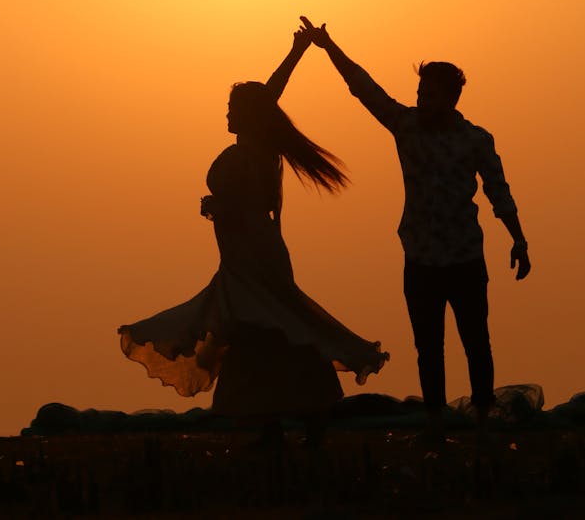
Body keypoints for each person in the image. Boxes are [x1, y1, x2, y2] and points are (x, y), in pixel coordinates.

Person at [118, 28, 388, 444]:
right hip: (243, 256)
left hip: (255, 255)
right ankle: (276, 419)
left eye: (231, 108)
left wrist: (218, 207)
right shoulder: (252, 141)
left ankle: (289, 416)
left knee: (270, 326)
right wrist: (295, 52)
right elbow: (270, 96)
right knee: (263, 331)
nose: (225, 114)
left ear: (247, 115)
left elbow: (244, 200)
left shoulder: (257, 149)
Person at [299, 16, 530, 441]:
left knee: (476, 341)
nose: (421, 99)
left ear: (451, 97)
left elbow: (499, 190)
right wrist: (328, 46)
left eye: (429, 93)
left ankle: (481, 417)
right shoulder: (405, 126)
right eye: (419, 92)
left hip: (464, 257)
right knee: (429, 347)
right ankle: (436, 422)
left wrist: (519, 239)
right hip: (421, 258)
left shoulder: (476, 139)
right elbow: (364, 89)